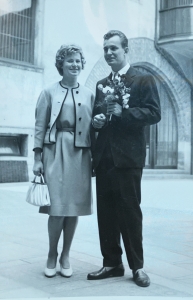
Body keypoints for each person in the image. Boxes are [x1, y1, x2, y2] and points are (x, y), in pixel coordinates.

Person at [87, 30, 161, 287]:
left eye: (113, 48)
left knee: (130, 213)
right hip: (105, 158)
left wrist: (124, 112)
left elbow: (153, 113)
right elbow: (98, 117)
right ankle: (111, 263)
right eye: (105, 48)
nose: (108, 53)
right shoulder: (101, 84)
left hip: (129, 159)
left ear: (125, 50)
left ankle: (137, 267)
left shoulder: (143, 80)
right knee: (105, 213)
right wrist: (96, 122)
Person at [33, 44, 94, 278]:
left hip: (80, 155)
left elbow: (94, 129)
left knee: (73, 209)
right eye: (70, 60)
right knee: (56, 209)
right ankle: (51, 253)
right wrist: (37, 158)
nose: (75, 64)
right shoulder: (48, 91)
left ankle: (66, 255)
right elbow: (39, 126)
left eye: (78, 60)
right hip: (54, 152)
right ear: (61, 64)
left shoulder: (89, 94)